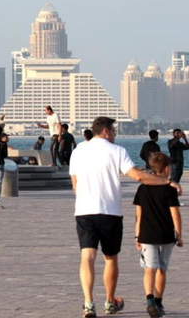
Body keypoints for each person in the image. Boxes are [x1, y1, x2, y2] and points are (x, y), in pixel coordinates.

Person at [69, 116, 181, 318]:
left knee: (87, 256)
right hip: (110, 212)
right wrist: (165, 182)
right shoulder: (117, 151)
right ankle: (110, 302)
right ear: (105, 131)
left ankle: (88, 303)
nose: (114, 134)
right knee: (110, 258)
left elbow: (75, 185)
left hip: (84, 211)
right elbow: (138, 176)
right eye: (113, 130)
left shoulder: (77, 152)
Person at [133, 152, 183, 317]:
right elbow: (175, 215)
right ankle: (159, 302)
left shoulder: (142, 188)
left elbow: (138, 215)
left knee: (149, 268)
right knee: (162, 269)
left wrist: (136, 235)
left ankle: (149, 300)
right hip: (166, 234)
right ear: (167, 169)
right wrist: (179, 235)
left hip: (147, 234)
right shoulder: (169, 190)